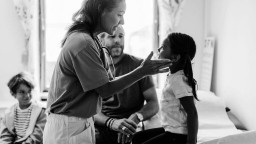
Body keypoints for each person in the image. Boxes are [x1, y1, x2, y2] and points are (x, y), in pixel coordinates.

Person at [42, 0, 171, 144]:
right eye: (119, 14)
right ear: (101, 10)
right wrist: (142, 72)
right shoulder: (83, 42)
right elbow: (106, 89)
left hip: (80, 124)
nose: (122, 20)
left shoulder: (91, 40)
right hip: (69, 127)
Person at [94, 25, 159, 144]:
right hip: (104, 126)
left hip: (132, 127)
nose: (117, 40)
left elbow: (153, 103)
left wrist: (136, 118)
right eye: (112, 36)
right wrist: (111, 123)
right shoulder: (94, 68)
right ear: (101, 40)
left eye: (121, 36)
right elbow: (91, 110)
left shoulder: (140, 66)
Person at [132, 32, 199, 144]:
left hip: (177, 135)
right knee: (137, 138)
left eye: (163, 47)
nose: (159, 49)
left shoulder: (178, 80)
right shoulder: (173, 77)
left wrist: (191, 141)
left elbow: (192, 112)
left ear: (175, 57)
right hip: (170, 130)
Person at [0, 72, 46, 144]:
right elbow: (5, 136)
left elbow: (37, 137)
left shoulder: (41, 111)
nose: (27, 95)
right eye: (22, 92)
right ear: (13, 94)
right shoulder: (8, 113)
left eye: (29, 91)